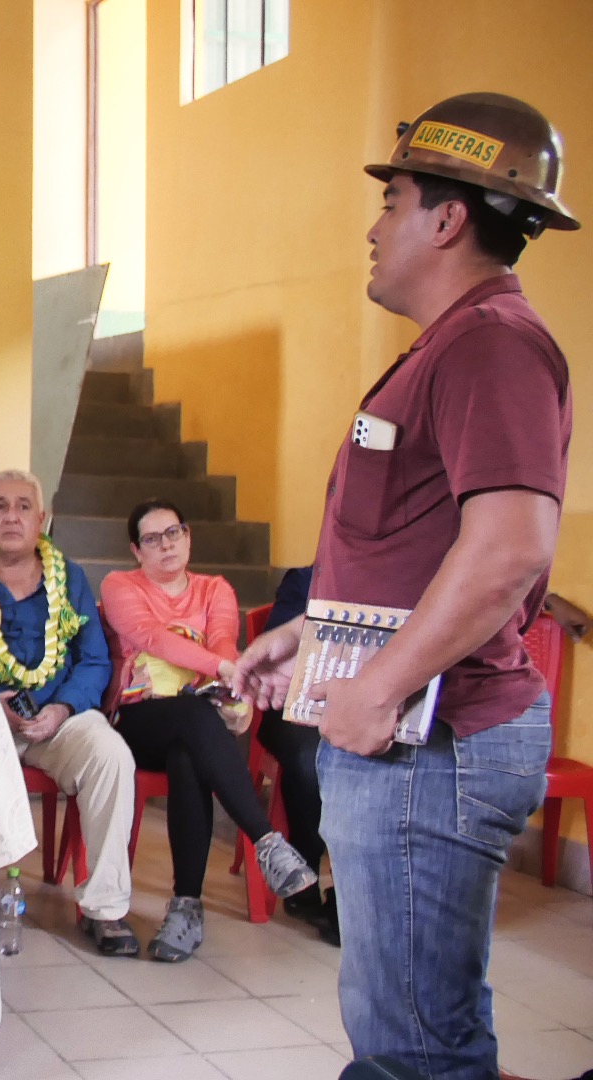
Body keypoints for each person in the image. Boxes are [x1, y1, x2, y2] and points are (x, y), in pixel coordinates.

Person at [233, 93, 575, 1079]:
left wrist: (377, 686)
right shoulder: (449, 348)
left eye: (394, 202)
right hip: (412, 735)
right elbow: (420, 551)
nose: (375, 227)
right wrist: (310, 634)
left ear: (448, 217)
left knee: (414, 1051)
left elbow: (509, 549)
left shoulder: (492, 345)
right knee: (405, 1033)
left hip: (439, 742)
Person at [99, 500, 319, 962]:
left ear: (189, 536)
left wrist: (233, 694)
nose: (167, 544)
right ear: (137, 551)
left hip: (196, 725)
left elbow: (222, 639)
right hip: (138, 720)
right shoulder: (120, 585)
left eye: (174, 532)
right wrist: (225, 669)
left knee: (190, 752)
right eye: (153, 539)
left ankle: (186, 908)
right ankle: (266, 841)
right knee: (192, 720)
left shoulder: (214, 590)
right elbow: (152, 639)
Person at [0, 470, 139, 956]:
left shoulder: (70, 577)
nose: (11, 516)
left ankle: (106, 909)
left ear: (42, 519)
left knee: (109, 754)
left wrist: (61, 709)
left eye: (22, 506)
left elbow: (95, 659)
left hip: (56, 719)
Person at [254, 564, 336, 945]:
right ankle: (305, 865)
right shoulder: (305, 579)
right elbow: (280, 647)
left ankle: (348, 892)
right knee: (313, 758)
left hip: (351, 712)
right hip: (292, 709)